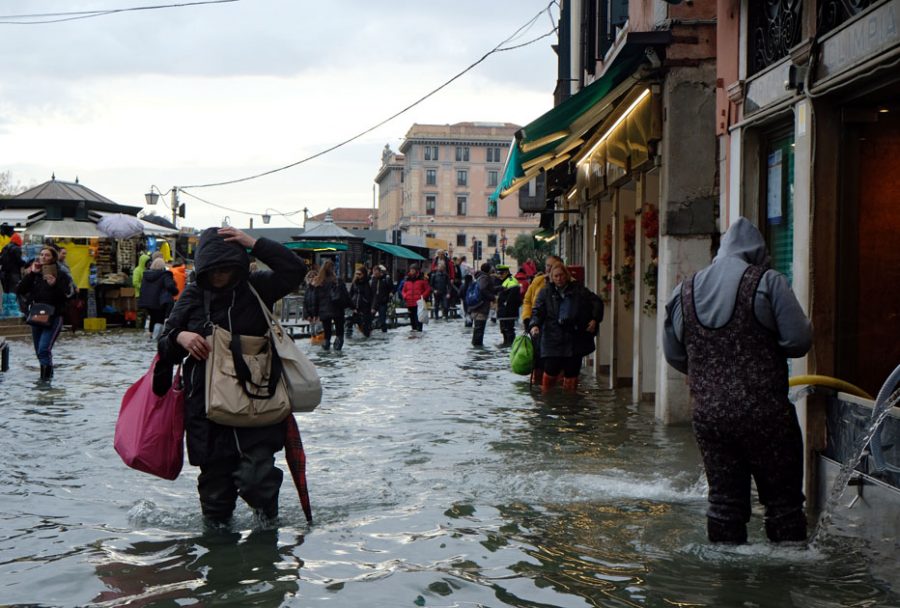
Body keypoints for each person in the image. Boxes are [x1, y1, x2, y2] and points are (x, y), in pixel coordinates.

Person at [662, 217, 812, 544]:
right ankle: (785, 579)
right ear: (758, 252)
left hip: (710, 418)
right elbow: (799, 340)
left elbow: (673, 354)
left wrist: (708, 373)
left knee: (723, 504)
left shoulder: (684, 290)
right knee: (783, 505)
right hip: (766, 415)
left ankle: (726, 582)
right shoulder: (768, 282)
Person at [155, 226, 307, 527]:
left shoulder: (256, 287)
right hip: (206, 411)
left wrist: (256, 245)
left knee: (258, 481)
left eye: (226, 269)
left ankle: (267, 538)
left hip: (257, 403)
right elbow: (165, 343)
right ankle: (219, 559)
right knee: (215, 499)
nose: (220, 276)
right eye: (214, 270)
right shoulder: (194, 295)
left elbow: (295, 270)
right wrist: (181, 337)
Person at [529, 263, 603, 392]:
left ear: (566, 275)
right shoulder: (545, 292)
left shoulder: (578, 290)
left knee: (572, 372)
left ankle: (570, 402)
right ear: (552, 277)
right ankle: (547, 399)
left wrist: (594, 319)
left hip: (574, 339)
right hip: (552, 339)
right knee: (551, 370)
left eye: (561, 275)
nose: (559, 278)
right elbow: (537, 311)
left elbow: (596, 301)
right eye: (556, 276)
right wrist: (535, 325)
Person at [16, 245, 74, 381]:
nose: (43, 257)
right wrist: (32, 274)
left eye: (47, 255)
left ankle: (45, 382)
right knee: (40, 352)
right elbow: (20, 290)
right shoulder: (35, 274)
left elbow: (68, 296)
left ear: (53, 258)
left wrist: (54, 284)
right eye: (41, 255)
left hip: (54, 317)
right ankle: (47, 379)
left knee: (43, 350)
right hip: (37, 315)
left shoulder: (62, 275)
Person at [521, 255, 562, 385]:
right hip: (537, 326)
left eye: (552, 266)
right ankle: (539, 388)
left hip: (556, 329)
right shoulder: (538, 281)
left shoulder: (566, 283)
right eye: (547, 266)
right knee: (537, 359)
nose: (548, 269)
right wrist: (527, 318)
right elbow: (527, 301)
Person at [306, 259, 349, 350]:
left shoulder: (319, 282)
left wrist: (314, 314)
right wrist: (351, 306)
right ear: (333, 268)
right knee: (339, 332)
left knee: (327, 333)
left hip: (324, 311)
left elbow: (315, 299)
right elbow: (345, 295)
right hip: (337, 310)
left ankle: (326, 347)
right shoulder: (337, 281)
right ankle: (337, 349)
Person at [138, 258, 179, 340]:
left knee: (153, 318)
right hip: (159, 302)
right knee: (159, 320)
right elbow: (169, 286)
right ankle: (156, 338)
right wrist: (175, 291)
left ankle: (150, 335)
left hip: (147, 302)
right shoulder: (165, 275)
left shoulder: (146, 275)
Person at [468, 263, 496, 346]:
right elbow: (482, 289)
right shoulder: (485, 278)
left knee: (478, 329)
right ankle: (477, 348)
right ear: (488, 269)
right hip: (481, 307)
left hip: (477, 306)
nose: (492, 269)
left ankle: (476, 347)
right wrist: (492, 297)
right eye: (491, 267)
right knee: (479, 329)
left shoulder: (480, 277)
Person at [495, 265, 521, 347]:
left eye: (501, 273)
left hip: (508, 312)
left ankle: (509, 346)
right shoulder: (505, 281)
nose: (500, 275)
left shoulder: (511, 280)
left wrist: (505, 306)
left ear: (507, 272)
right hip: (504, 312)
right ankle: (506, 344)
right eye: (498, 273)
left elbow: (512, 297)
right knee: (504, 330)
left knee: (508, 330)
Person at [400, 264, 430, 332]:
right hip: (409, 302)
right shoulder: (407, 280)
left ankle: (419, 330)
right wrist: (405, 296)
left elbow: (428, 289)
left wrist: (422, 296)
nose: (411, 271)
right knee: (412, 317)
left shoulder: (422, 279)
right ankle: (413, 330)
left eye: (413, 270)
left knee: (419, 317)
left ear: (416, 271)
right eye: (411, 270)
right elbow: (403, 290)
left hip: (418, 302)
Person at [347, 266, 373, 338]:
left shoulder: (368, 283)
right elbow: (350, 294)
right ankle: (349, 338)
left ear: (364, 274)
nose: (357, 275)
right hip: (354, 307)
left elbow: (370, 296)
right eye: (356, 274)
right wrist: (350, 305)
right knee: (349, 324)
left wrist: (369, 305)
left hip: (364, 308)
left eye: (359, 274)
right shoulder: (354, 283)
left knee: (365, 327)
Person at [370, 264, 393, 332]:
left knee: (382, 320)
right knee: (370, 318)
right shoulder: (372, 280)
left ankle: (384, 332)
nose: (375, 275)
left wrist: (391, 294)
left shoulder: (386, 279)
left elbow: (392, 288)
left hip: (383, 302)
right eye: (374, 273)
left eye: (376, 273)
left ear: (380, 272)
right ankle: (369, 332)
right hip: (374, 302)